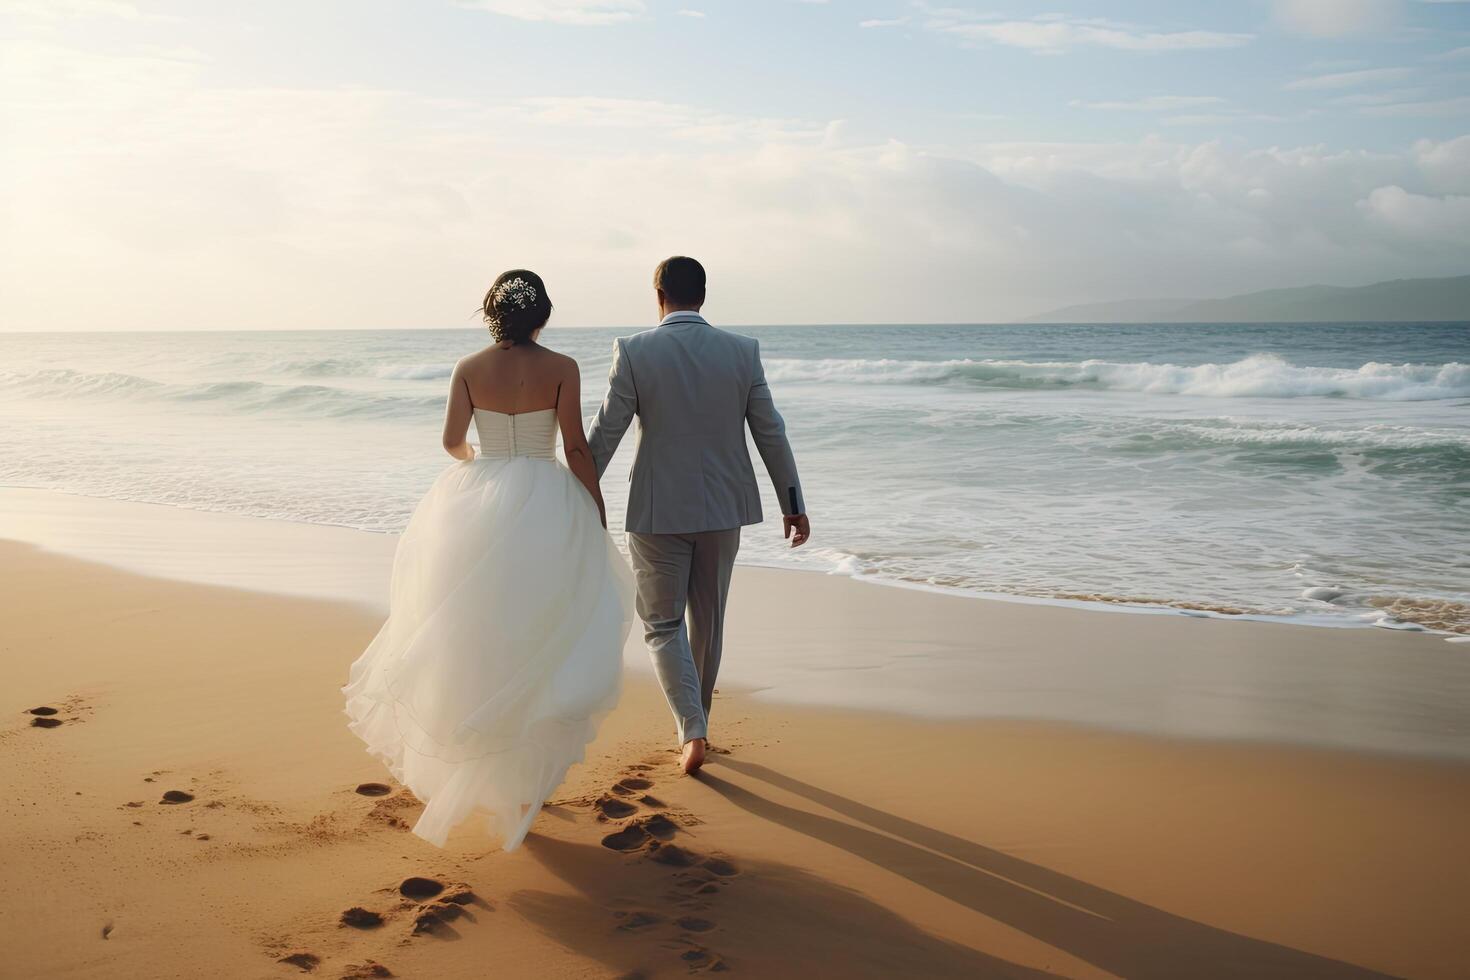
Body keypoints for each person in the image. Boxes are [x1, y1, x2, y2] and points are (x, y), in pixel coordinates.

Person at [342, 269, 633, 850]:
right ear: (542, 314)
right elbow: (575, 445)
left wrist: (480, 456)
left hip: (474, 503)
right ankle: (523, 780)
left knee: (472, 634)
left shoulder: (469, 368)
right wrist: (595, 505)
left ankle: (482, 768)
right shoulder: (562, 368)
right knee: (537, 634)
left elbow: (451, 440)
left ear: (492, 313)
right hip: (547, 501)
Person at [588, 255, 809, 775]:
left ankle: (692, 729)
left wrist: (571, 491)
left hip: (656, 509)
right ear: (703, 296)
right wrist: (793, 504)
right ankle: (700, 719)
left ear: (657, 294)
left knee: (662, 624)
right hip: (722, 509)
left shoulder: (634, 351)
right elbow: (770, 432)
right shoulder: (742, 352)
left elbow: (606, 432)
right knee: (707, 622)